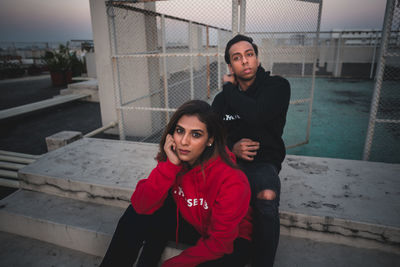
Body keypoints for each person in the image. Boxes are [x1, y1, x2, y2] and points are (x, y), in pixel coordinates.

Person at [100, 100, 252, 267]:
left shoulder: (232, 179)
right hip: (194, 224)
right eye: (180, 131)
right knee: (134, 216)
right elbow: (141, 205)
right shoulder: (174, 161)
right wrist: (169, 166)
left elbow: (219, 243)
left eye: (196, 134)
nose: (184, 142)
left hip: (229, 241)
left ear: (210, 140)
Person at [211, 34, 291, 267]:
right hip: (228, 161)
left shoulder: (277, 86)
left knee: (266, 198)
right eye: (237, 58)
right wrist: (231, 148)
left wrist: (229, 87)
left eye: (249, 54)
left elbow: (256, 115)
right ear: (231, 65)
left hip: (263, 162)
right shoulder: (221, 100)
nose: (245, 61)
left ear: (256, 58)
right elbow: (212, 136)